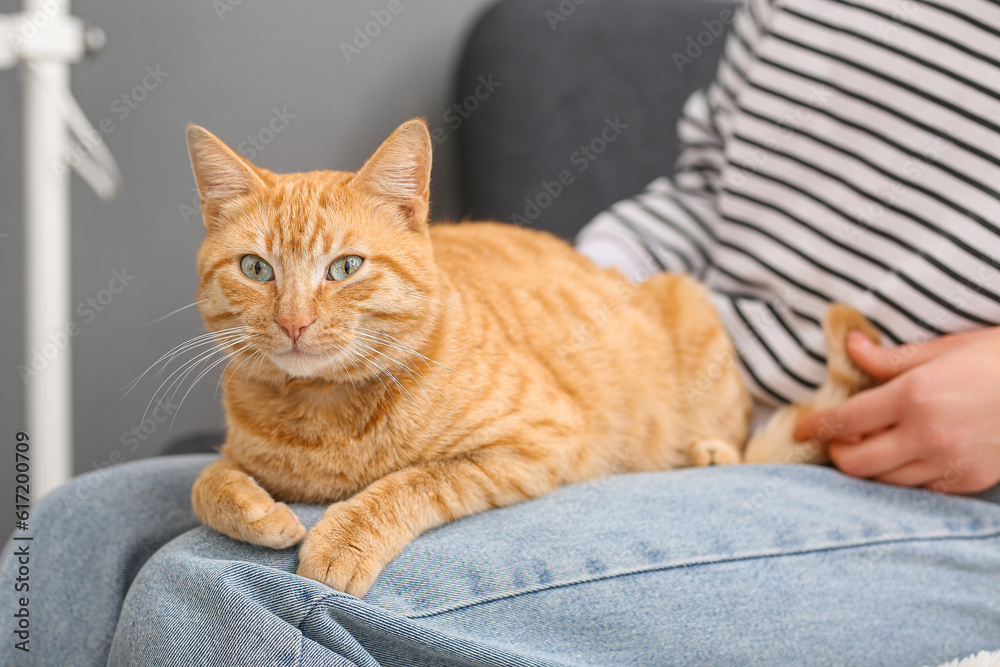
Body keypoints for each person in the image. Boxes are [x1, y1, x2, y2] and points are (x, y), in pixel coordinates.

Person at [3, 0, 999, 664]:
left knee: (229, 595)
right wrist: (557, 299)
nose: (294, 314)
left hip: (904, 471)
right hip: (680, 364)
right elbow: (704, 190)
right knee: (71, 530)